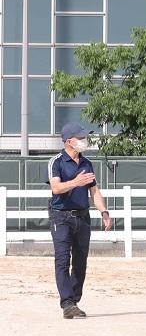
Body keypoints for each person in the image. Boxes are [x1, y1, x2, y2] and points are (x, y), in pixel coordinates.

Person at [47, 123, 113, 319]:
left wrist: (104, 211)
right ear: (69, 141)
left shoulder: (87, 163)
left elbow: (94, 191)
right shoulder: (56, 162)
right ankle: (67, 303)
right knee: (62, 260)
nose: (84, 141)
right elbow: (56, 189)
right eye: (80, 137)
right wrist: (76, 182)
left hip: (83, 217)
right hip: (61, 217)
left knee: (80, 262)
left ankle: (73, 301)